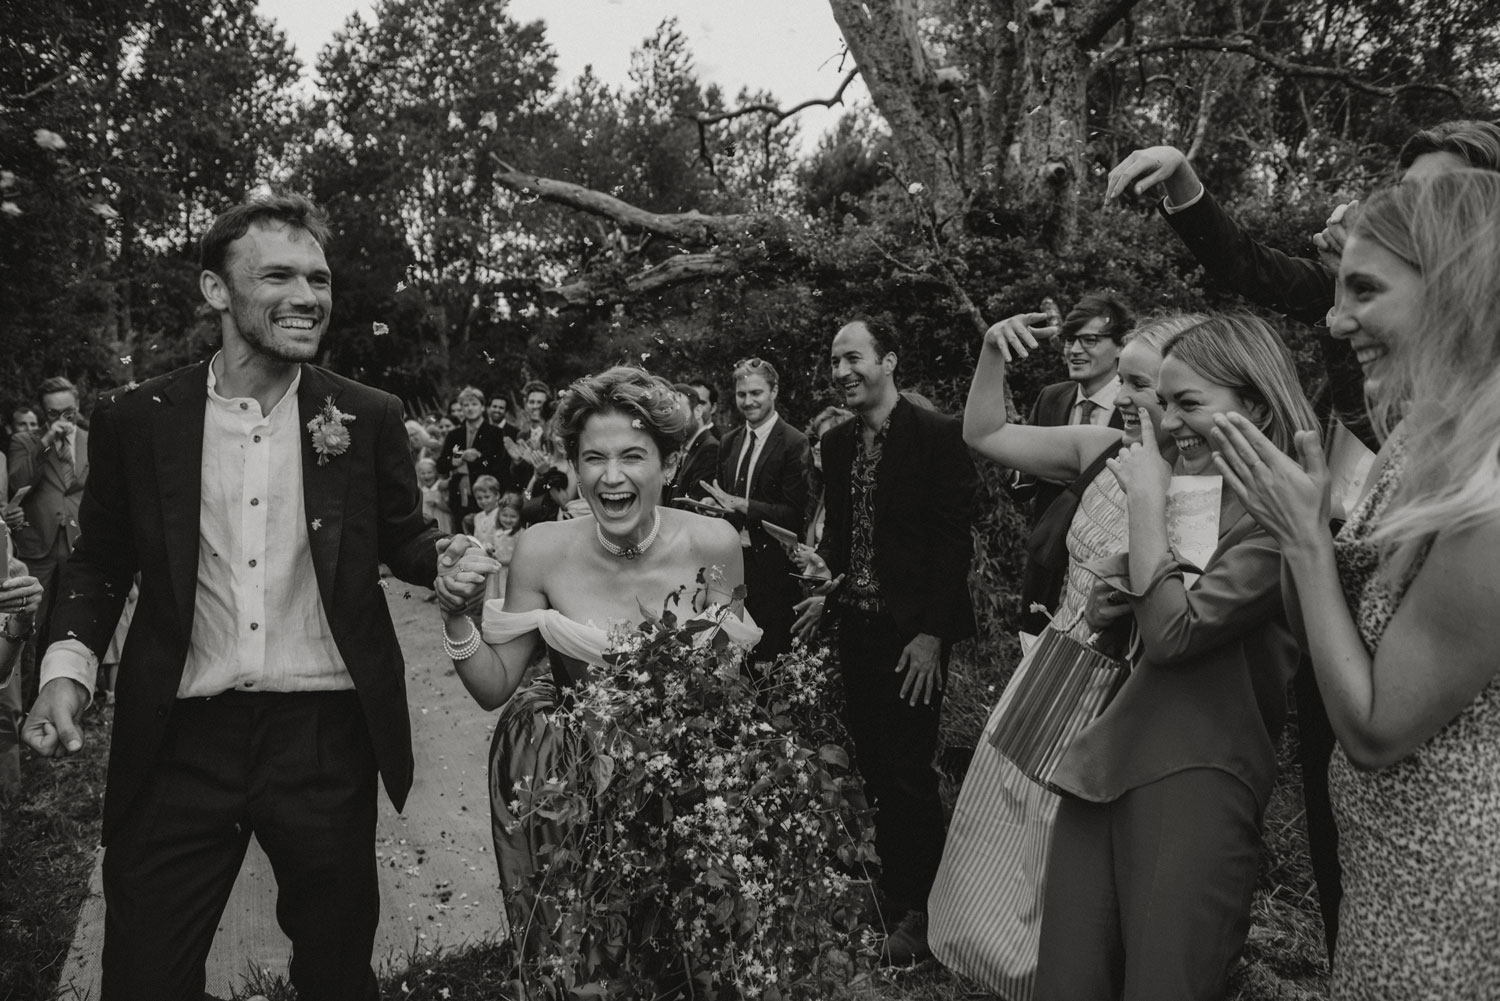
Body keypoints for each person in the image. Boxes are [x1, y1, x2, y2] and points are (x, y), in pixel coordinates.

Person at [21, 192, 445, 1001]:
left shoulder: (365, 413)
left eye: (317, 278)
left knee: (335, 976)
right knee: (143, 976)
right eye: (278, 274)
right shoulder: (136, 418)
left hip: (324, 735)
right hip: (180, 736)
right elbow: (101, 560)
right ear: (217, 290)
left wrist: (448, 560)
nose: (307, 296)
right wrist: (65, 672)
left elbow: (406, 542)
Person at [1213, 171, 1500, 998]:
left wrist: (1303, 538)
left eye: (1364, 291)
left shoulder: (1487, 482)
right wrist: (1296, 522)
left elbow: (1376, 728)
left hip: (1449, 896)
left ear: (1457, 288)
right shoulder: (1418, 439)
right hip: (1387, 870)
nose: (1336, 321)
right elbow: (1345, 632)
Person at [1028, 315, 1316, 1001]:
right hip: (1107, 764)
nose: (1165, 420)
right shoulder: (1195, 496)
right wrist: (1112, 609)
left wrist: (1146, 502)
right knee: (1066, 984)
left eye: (1188, 402)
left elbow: (1177, 635)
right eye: (1164, 400)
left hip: (1198, 773)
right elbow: (1147, 628)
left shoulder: (1287, 519)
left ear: (1257, 405)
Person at [430, 366, 757, 945]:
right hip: (574, 787)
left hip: (681, 777)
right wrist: (457, 613)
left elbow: (729, 688)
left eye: (632, 456)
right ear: (574, 468)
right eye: (592, 459)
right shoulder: (540, 550)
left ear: (670, 465)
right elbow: (492, 686)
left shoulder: (715, 545)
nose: (611, 478)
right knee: (590, 947)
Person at [941, 312, 1198, 998]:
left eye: (1145, 385)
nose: (1130, 400)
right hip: (1056, 659)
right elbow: (985, 433)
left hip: (1129, 690)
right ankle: (992, 964)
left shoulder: (1203, 485)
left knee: (1075, 845)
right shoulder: (1102, 448)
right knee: (1008, 817)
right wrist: (994, 351)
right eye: (1131, 384)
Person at [793, 319, 977, 965]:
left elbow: (956, 543)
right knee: (873, 764)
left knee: (908, 772)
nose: (841, 370)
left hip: (912, 637)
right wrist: (831, 594)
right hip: (859, 629)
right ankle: (898, 887)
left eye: (854, 357)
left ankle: (926, 912)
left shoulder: (937, 433)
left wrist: (932, 635)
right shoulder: (839, 443)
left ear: (889, 360)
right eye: (834, 360)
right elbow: (847, 539)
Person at [1005, 294, 1133, 636]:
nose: (1075, 350)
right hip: (1047, 567)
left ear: (1121, 346)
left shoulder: (1137, 406)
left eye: (1090, 340)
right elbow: (1020, 486)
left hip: (1105, 576)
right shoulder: (1051, 397)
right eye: (1070, 340)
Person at [701, 358, 810, 667]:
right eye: (741, 394)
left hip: (773, 571)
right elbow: (726, 501)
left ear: (774, 391)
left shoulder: (793, 441)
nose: (747, 402)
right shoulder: (729, 441)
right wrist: (713, 508)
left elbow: (793, 513)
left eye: (756, 393)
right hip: (732, 566)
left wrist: (742, 504)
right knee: (732, 659)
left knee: (770, 661)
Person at [8, 376, 88, 711]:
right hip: (37, 547)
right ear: (44, 413)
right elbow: (17, 484)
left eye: (69, 412)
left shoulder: (91, 438)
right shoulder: (26, 442)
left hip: (78, 544)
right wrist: (45, 442)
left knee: (71, 626)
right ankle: (22, 708)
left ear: (78, 407)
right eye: (55, 413)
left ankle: (67, 702)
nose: (63, 419)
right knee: (29, 630)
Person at [438, 385, 511, 525]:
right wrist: (457, 459)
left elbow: (498, 463)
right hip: (459, 496)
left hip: (485, 495)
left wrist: (475, 460)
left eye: (474, 404)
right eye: (465, 405)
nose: (470, 408)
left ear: (483, 407)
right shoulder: (454, 434)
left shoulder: (494, 432)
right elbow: (441, 465)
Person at [800, 405, 853, 551]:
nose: (816, 447)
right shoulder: (822, 486)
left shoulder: (853, 491)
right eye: (814, 439)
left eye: (826, 439)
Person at [663, 381, 718, 504]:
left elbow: (695, 503)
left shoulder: (710, 448)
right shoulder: (685, 447)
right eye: (669, 413)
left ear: (698, 411)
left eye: (678, 411)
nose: (673, 420)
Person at [416, 457, 452, 534]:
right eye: (422, 473)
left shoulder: (441, 487)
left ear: (435, 472)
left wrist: (437, 504)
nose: (426, 476)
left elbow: (450, 508)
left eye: (429, 472)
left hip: (442, 520)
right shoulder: (420, 490)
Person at [469, 474, 502, 548]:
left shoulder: (501, 514)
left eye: (487, 497)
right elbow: (476, 539)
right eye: (479, 498)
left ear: (497, 495)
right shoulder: (477, 517)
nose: (483, 501)